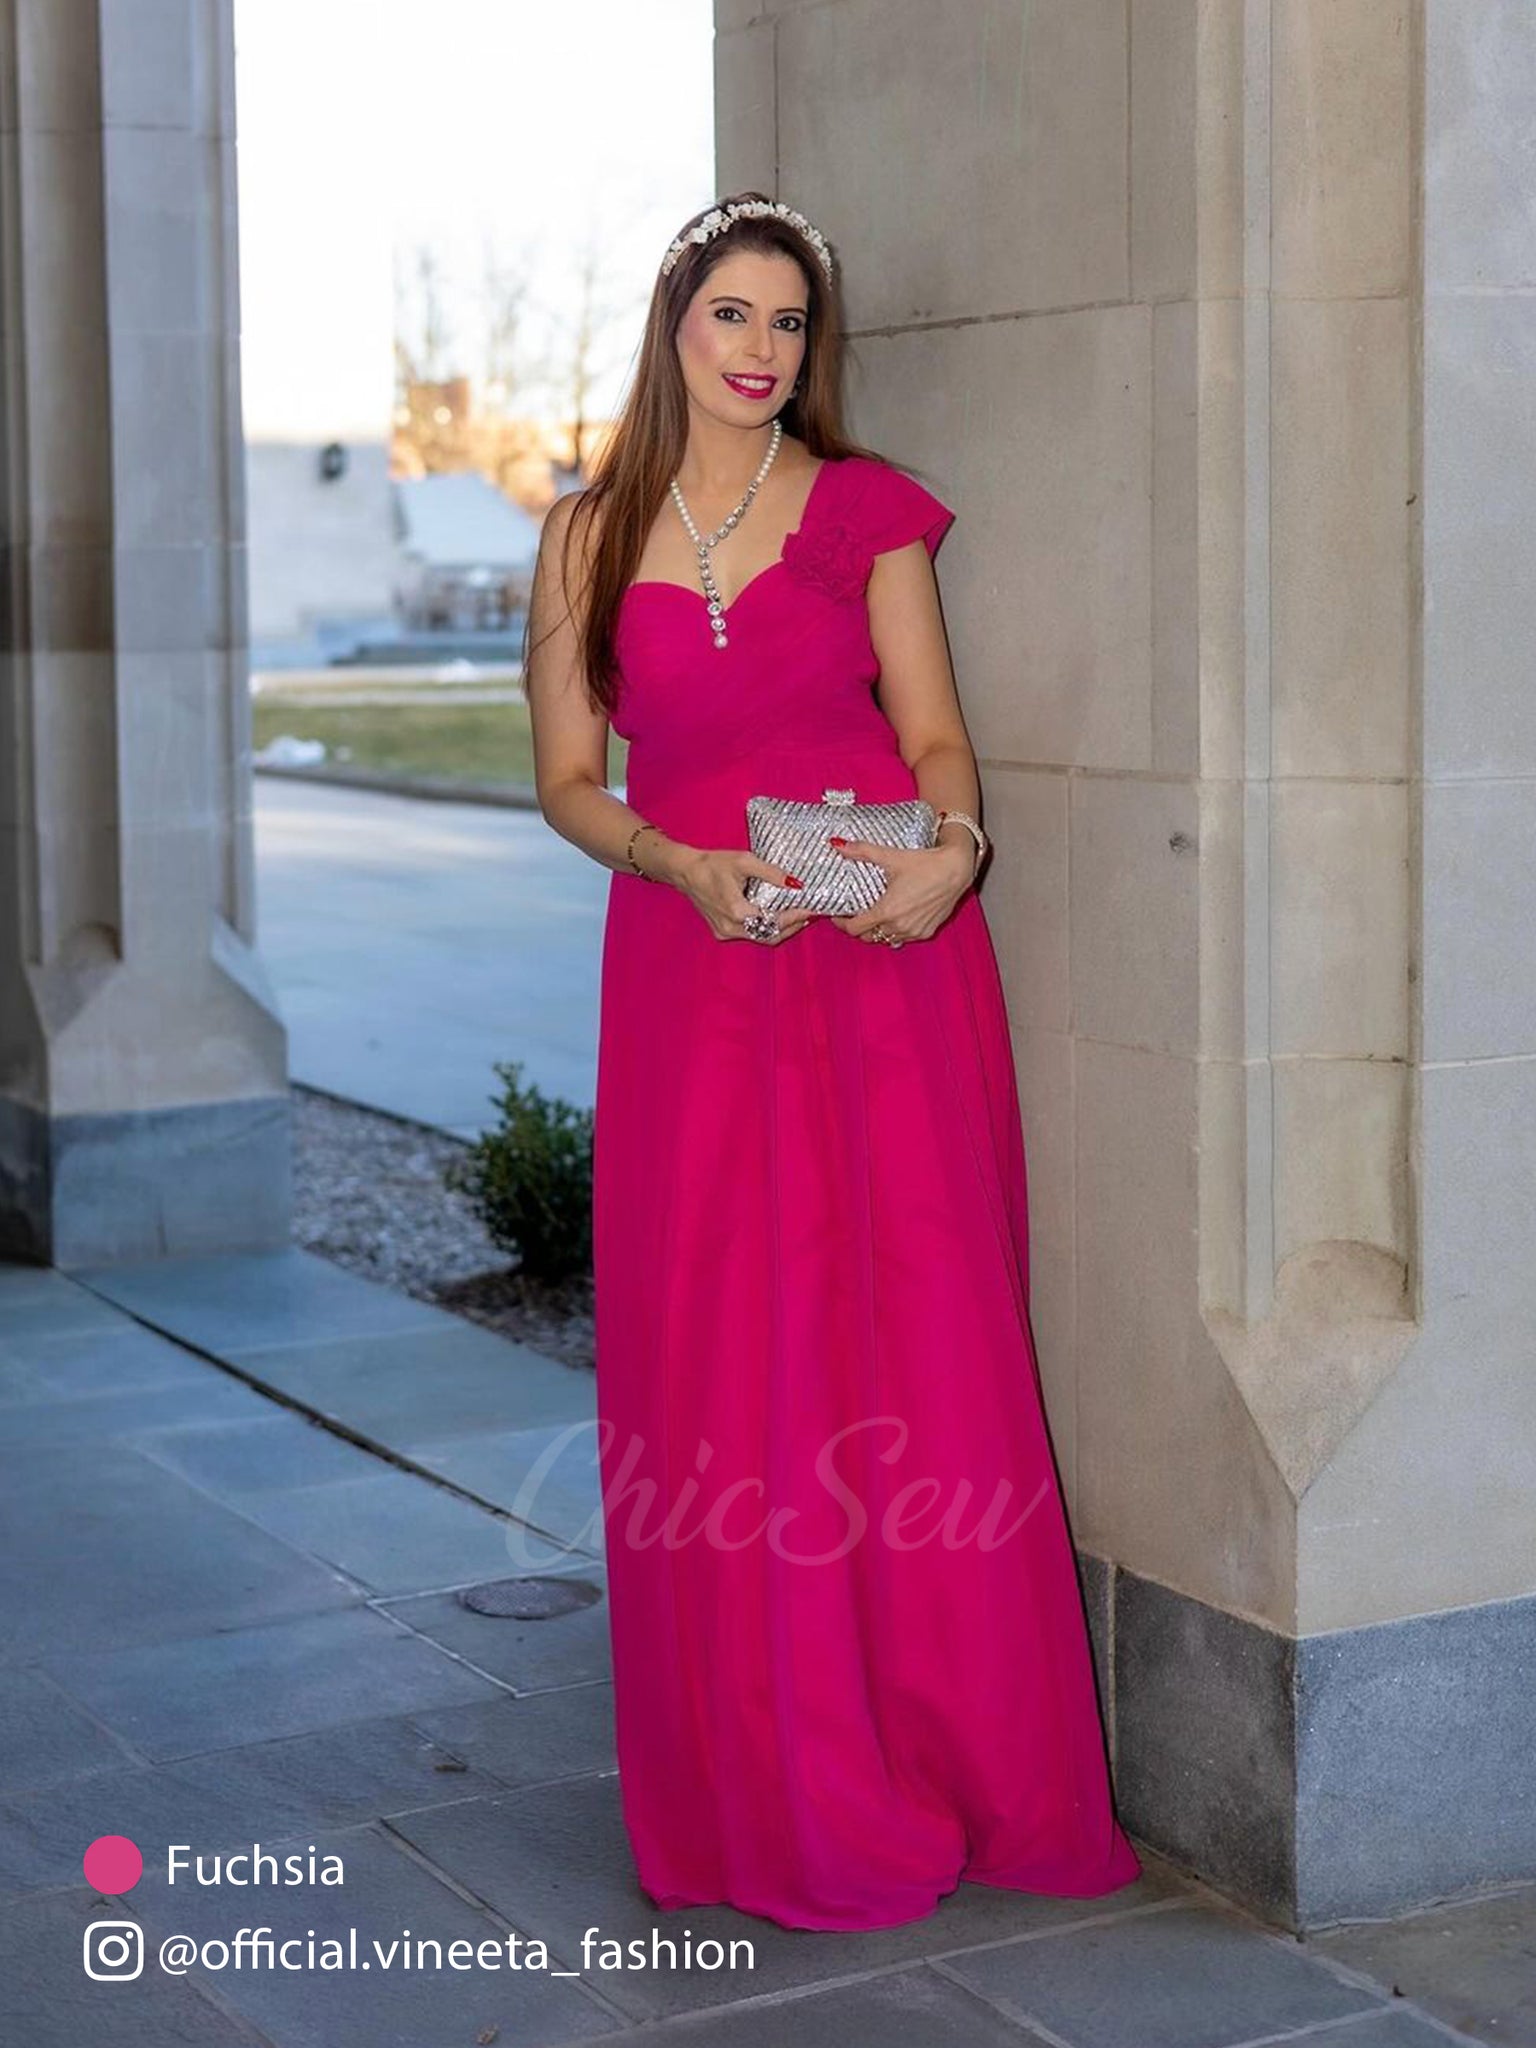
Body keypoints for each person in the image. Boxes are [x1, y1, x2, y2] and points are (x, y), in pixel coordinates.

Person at [524, 191, 1142, 1932]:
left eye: (788, 323)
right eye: (730, 314)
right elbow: (567, 780)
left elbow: (937, 739)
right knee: (727, 1349)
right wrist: (673, 863)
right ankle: (771, 1774)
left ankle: (959, 1753)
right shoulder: (582, 537)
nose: (760, 350)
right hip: (694, 978)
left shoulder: (870, 514)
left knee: (916, 1337)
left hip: (882, 972)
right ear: (672, 325)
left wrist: (953, 851)